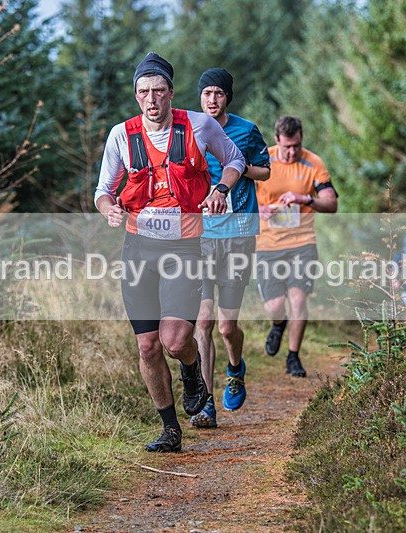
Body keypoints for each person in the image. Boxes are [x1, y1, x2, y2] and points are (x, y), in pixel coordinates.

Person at [94, 53, 245, 452]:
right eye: (143, 92)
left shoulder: (199, 125)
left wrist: (220, 189)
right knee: (147, 346)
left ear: (171, 93)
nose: (151, 99)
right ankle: (170, 430)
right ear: (136, 96)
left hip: (184, 245)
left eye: (158, 91)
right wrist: (109, 209)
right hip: (138, 248)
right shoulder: (120, 136)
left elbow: (235, 159)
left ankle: (193, 373)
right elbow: (103, 192)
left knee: (176, 341)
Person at [191, 68, 271, 428]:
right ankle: (206, 402)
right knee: (203, 322)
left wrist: (235, 168)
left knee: (226, 327)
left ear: (228, 97)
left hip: (239, 232)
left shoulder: (246, 129)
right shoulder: (190, 130)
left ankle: (235, 368)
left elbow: (266, 172)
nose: (212, 99)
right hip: (202, 234)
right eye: (207, 93)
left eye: (218, 93)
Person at [255, 116, 337, 377]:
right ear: (276, 140)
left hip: (302, 242)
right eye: (287, 146)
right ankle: (278, 324)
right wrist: (258, 209)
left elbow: (331, 204)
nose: (292, 152)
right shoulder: (261, 158)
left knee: (298, 298)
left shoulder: (313, 162)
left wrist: (305, 198)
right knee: (275, 304)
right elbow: (238, 195)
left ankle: (293, 357)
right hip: (267, 242)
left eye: (297, 146)